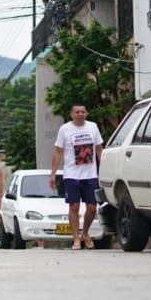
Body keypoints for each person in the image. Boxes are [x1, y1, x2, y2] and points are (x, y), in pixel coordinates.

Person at [48, 104, 104, 250]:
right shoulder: (65, 129)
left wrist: (104, 169)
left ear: (86, 113)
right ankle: (76, 239)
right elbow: (58, 151)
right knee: (74, 206)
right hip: (71, 174)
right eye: (77, 112)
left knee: (92, 208)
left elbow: (99, 149)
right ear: (72, 114)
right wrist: (53, 174)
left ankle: (85, 233)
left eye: (82, 111)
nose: (80, 114)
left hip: (90, 175)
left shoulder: (93, 127)